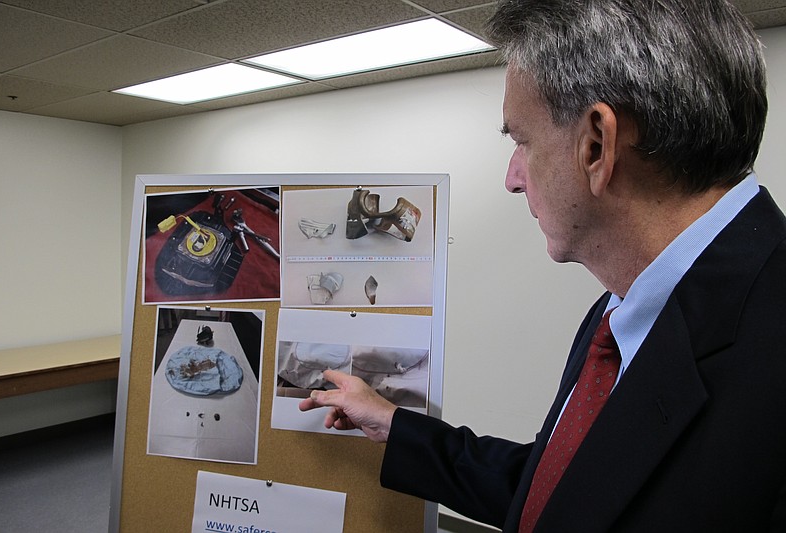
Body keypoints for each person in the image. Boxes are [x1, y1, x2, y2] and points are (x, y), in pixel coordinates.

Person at [299, 0, 786, 531]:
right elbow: (566, 489)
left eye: (521, 141)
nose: (512, 178)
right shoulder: (623, 308)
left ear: (597, 144)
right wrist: (397, 426)